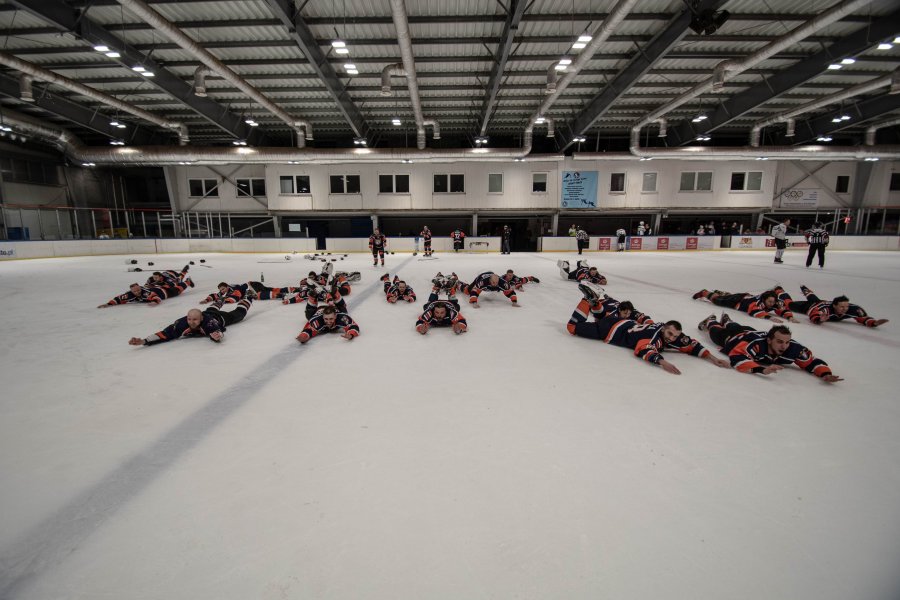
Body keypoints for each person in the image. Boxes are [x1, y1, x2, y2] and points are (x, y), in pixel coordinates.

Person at [566, 284, 729, 374]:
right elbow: (644, 349)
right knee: (572, 327)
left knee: (602, 317)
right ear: (664, 328)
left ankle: (595, 303)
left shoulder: (669, 332)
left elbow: (693, 344)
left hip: (617, 321)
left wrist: (714, 359)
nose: (672, 338)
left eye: (674, 336)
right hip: (610, 331)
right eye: (670, 334)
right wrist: (662, 362)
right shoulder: (654, 336)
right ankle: (588, 301)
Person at [698, 313, 842, 382]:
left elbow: (810, 361)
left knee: (736, 326)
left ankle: (728, 320)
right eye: (779, 342)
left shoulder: (794, 348)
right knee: (715, 331)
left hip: (749, 331)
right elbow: (737, 356)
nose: (784, 346)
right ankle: (711, 320)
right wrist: (762, 369)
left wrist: (825, 373)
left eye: (786, 342)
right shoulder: (756, 345)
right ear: (769, 340)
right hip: (734, 339)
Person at [128, 298, 252, 346]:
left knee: (239, 315)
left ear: (201, 319)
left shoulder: (208, 323)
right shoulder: (182, 323)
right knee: (210, 308)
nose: (191, 322)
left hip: (219, 317)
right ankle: (221, 300)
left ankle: (248, 298)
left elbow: (217, 331)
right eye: (189, 319)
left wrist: (217, 336)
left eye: (195, 320)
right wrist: (143, 341)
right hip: (206, 312)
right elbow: (165, 334)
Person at [776, 285, 889, 328]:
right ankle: (779, 290)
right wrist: (819, 319)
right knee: (789, 304)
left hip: (820, 302)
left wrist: (874, 323)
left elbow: (862, 317)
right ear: (834, 306)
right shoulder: (824, 310)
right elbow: (813, 315)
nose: (845, 309)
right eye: (841, 307)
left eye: (846, 306)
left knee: (814, 298)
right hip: (809, 307)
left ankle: (805, 289)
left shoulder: (853, 308)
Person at [691, 288, 796, 322]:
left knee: (723, 297)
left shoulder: (773, 302)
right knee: (717, 301)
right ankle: (705, 292)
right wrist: (770, 318)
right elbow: (753, 312)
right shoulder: (757, 303)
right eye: (769, 302)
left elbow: (782, 309)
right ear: (764, 300)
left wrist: (790, 317)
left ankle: (723, 294)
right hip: (737, 301)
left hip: (745, 297)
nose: (772, 304)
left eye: (773, 302)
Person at [577, 283, 654, 324]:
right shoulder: (612, 314)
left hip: (611, 301)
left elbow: (644, 317)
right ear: (620, 310)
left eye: (628, 314)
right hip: (605, 303)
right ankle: (593, 297)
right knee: (593, 306)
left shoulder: (630, 310)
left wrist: (651, 325)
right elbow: (598, 320)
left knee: (610, 300)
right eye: (625, 313)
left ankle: (605, 297)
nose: (627, 315)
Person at [99, 282, 170, 307]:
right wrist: (108, 304)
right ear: (131, 291)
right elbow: (118, 299)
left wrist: (154, 302)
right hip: (157, 289)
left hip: (165, 293)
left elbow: (156, 297)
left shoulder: (145, 293)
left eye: (139, 290)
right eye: (135, 291)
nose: (138, 292)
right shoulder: (129, 295)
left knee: (179, 286)